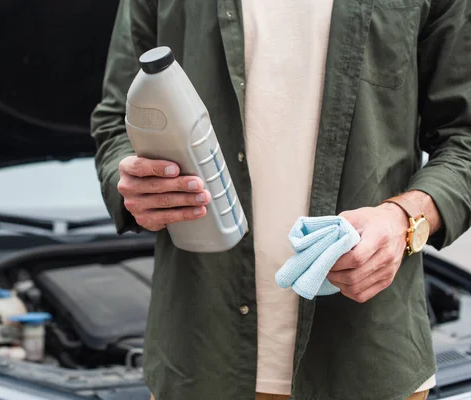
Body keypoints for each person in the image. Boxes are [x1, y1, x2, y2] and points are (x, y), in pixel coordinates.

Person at [90, 1, 471, 399]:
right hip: (202, 361)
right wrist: (132, 182)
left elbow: (464, 138)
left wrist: (404, 220)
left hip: (366, 359)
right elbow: (117, 120)